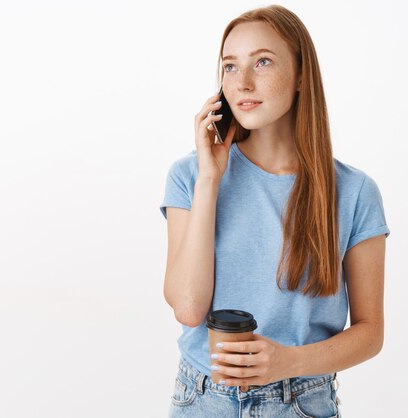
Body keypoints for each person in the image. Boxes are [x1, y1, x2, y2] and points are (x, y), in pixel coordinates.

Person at [159, 5, 390, 418]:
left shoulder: (354, 192)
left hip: (300, 402)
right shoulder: (190, 175)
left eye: (262, 62)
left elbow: (370, 333)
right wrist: (210, 179)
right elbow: (189, 308)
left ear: (302, 75)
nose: (242, 82)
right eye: (230, 67)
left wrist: (288, 362)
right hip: (201, 399)